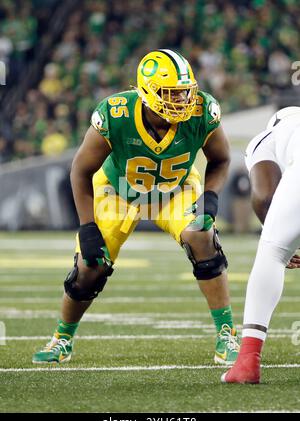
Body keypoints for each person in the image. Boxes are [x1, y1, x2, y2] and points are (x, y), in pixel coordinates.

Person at [32, 49, 239, 365]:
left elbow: (221, 159)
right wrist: (87, 227)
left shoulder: (202, 110)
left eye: (185, 92)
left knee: (202, 235)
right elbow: (80, 170)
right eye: (171, 93)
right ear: (147, 91)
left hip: (174, 191)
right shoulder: (117, 114)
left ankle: (227, 334)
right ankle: (62, 338)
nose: (182, 100)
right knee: (89, 267)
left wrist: (209, 198)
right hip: (117, 193)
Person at [221, 106, 300, 384]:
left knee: (272, 253)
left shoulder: (267, 137)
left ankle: (247, 363)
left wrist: (280, 238)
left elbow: (265, 196)